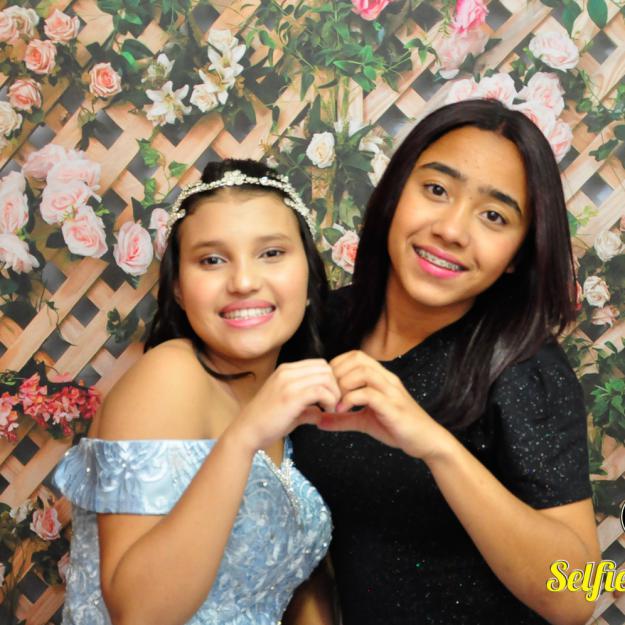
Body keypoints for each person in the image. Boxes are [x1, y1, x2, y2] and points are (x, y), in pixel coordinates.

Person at [291, 99, 600, 625]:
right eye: (436, 190)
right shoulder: (324, 326)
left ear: (517, 256)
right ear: (395, 193)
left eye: (494, 216)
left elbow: (580, 594)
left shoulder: (524, 369)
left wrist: (434, 446)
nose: (452, 230)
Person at [54, 159, 338, 625]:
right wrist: (243, 438)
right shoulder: (170, 376)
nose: (243, 282)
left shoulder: (285, 401)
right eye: (212, 260)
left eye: (271, 253)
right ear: (180, 290)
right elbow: (138, 614)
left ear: (309, 277)